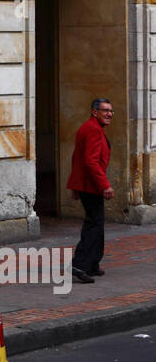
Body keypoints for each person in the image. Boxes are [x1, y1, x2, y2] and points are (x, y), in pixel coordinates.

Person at [67, 98, 114, 284]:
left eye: (111, 111)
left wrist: (75, 185)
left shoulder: (91, 127)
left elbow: (76, 157)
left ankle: (92, 264)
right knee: (94, 225)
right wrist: (105, 185)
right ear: (94, 112)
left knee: (96, 223)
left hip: (87, 184)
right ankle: (80, 264)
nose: (109, 114)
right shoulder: (93, 129)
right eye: (105, 110)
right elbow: (90, 162)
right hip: (92, 185)